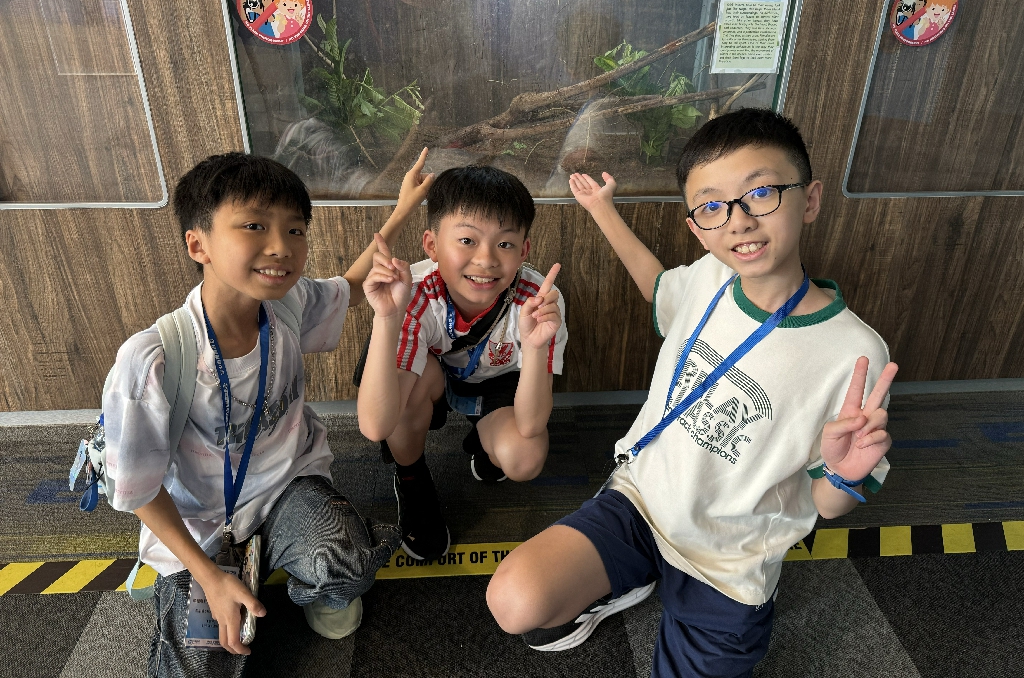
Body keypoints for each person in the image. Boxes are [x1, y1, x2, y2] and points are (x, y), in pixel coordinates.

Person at [486, 108, 897, 677]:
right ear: (697, 228)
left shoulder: (856, 354)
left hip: (728, 563)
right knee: (515, 601)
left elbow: (829, 505)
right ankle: (630, 578)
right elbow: (657, 287)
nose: (738, 220)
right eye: (712, 206)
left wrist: (844, 475)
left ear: (811, 199)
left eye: (761, 193)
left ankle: (662, 589)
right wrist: (602, 210)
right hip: (641, 503)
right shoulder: (710, 276)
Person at [102, 148, 433, 677]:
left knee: (347, 564)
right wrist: (208, 576)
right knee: (200, 668)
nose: (281, 247)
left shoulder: (288, 304)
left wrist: (399, 213)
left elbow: (350, 287)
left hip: (285, 487)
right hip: (199, 523)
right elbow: (137, 489)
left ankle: (310, 583)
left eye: (295, 230)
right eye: (254, 226)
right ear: (198, 244)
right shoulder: (153, 361)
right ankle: (222, 578)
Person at [356, 165, 567, 562]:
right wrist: (386, 318)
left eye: (505, 244)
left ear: (524, 251)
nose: (486, 260)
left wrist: (536, 346)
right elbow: (374, 425)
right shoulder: (412, 293)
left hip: (497, 382)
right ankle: (412, 478)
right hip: (431, 378)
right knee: (402, 391)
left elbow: (531, 425)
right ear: (432, 245)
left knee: (523, 457)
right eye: (467, 240)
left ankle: (485, 443)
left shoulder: (537, 302)